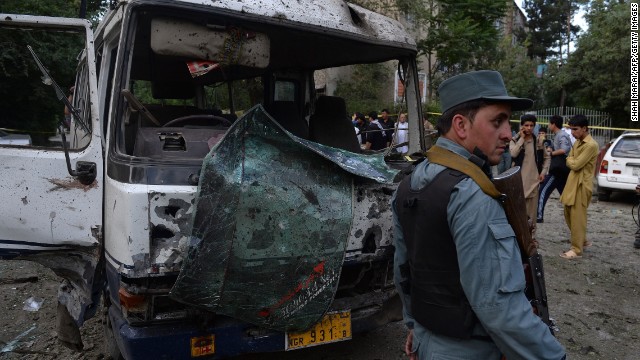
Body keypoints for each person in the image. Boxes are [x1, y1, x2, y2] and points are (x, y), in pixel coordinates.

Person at [393, 70, 565, 359]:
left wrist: (417, 327)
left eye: (508, 123)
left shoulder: (409, 182)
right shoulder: (472, 194)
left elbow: (404, 272)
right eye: (497, 121)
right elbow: (499, 308)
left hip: (428, 342)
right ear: (460, 125)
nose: (508, 133)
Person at [559, 114, 599, 259]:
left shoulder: (591, 145)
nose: (573, 132)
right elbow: (571, 158)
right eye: (571, 129)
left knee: (577, 217)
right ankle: (583, 240)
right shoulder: (577, 142)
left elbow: (575, 164)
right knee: (568, 212)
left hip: (582, 184)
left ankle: (576, 249)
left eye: (575, 129)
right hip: (572, 182)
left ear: (584, 128)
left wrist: (570, 160)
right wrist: (571, 159)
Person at [509, 114, 550, 241]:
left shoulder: (538, 141)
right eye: (526, 125)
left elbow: (547, 157)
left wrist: (543, 172)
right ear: (521, 126)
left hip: (533, 182)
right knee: (518, 213)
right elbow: (513, 153)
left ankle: (531, 239)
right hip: (518, 182)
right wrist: (521, 139)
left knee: (531, 214)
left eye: (532, 125)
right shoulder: (515, 140)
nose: (529, 128)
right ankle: (518, 238)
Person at [537, 115, 572, 223]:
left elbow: (564, 149)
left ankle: (538, 216)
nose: (548, 125)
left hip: (557, 171)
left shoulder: (561, 135)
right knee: (565, 196)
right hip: (561, 171)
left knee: (542, 191)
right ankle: (573, 215)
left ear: (553, 124)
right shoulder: (558, 135)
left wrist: (551, 153)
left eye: (549, 123)